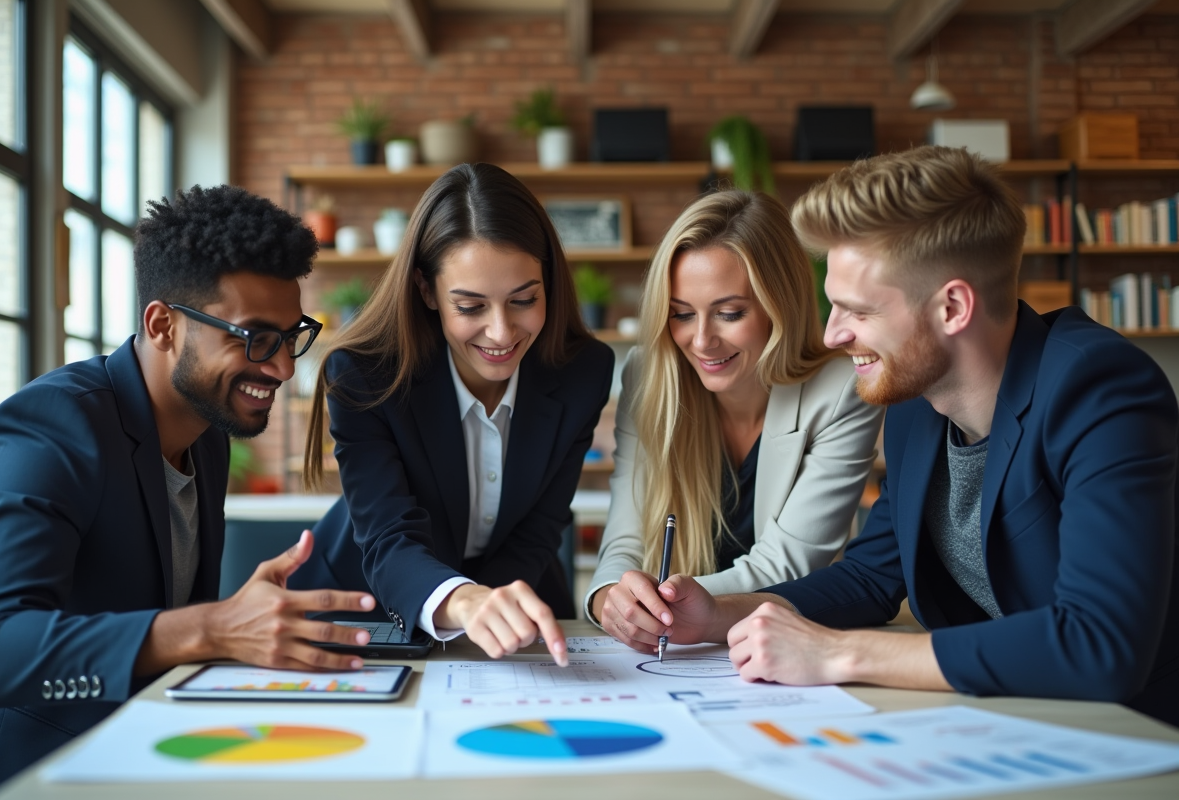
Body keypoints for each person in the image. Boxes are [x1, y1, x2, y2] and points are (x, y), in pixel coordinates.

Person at [642, 146, 1179, 726]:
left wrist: (840, 653)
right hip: (1006, 720)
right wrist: (715, 614)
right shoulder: (916, 403)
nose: (831, 335)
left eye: (858, 311)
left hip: (1135, 732)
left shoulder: (1100, 388)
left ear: (952, 307)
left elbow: (1102, 644)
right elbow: (871, 578)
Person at [0, 186, 380, 793]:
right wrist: (210, 627)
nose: (282, 368)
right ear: (163, 324)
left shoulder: (207, 433)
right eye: (252, 337)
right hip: (48, 771)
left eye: (289, 335)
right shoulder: (52, 429)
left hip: (159, 752)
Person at [296, 163, 614, 666]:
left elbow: (541, 526)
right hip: (369, 606)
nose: (502, 332)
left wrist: (487, 607)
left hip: (516, 597)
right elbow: (387, 535)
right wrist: (463, 602)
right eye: (470, 307)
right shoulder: (364, 375)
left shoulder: (583, 372)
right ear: (426, 291)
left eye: (524, 300)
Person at [585, 190, 884, 652]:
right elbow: (625, 536)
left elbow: (788, 565)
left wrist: (670, 608)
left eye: (729, 313)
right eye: (681, 314)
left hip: (778, 644)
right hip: (678, 647)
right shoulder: (648, 373)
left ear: (778, 305)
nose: (701, 340)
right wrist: (611, 599)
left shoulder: (842, 389)